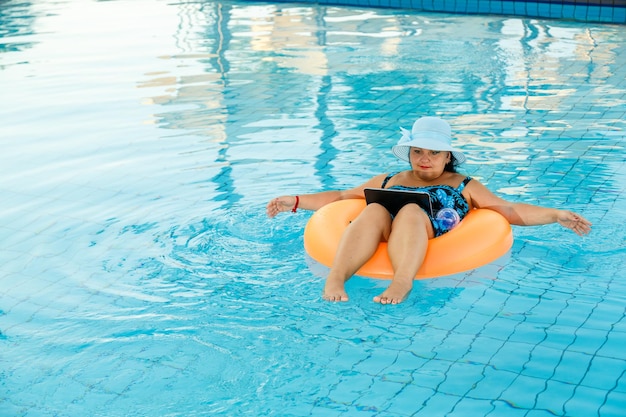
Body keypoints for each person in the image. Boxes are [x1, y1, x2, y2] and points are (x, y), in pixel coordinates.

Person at [266, 116, 592, 305]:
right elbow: (340, 197)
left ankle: (401, 282)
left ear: (447, 156)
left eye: (434, 153)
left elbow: (506, 210)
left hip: (424, 225)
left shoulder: (463, 183)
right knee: (373, 210)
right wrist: (294, 201)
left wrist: (555, 214)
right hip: (384, 225)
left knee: (409, 210)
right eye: (418, 151)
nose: (425, 158)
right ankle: (336, 279)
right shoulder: (389, 178)